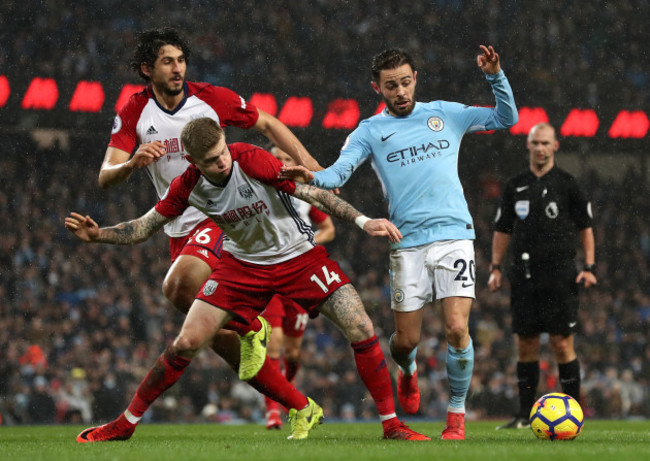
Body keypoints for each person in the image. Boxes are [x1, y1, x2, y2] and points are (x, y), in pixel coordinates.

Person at [66, 117, 430, 442]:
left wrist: (364, 221)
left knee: (361, 326)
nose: (222, 161)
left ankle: (392, 425)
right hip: (243, 267)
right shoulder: (188, 185)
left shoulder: (251, 159)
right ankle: (124, 425)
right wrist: (100, 235)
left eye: (222, 151)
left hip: (299, 258)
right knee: (185, 343)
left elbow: (312, 193)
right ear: (194, 162)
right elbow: (143, 227)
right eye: (210, 160)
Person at [280, 45, 518, 440]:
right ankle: (407, 369)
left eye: (406, 82)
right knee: (406, 341)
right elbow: (339, 173)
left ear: (415, 80)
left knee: (457, 329)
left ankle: (455, 416)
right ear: (378, 88)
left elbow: (506, 118)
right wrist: (309, 175)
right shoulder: (370, 131)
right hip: (407, 242)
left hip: (455, 234)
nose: (401, 91)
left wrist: (495, 75)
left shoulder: (445, 113)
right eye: (392, 85)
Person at [100, 28, 324, 382]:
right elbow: (105, 176)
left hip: (220, 213)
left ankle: (253, 326)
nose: (177, 69)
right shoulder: (135, 110)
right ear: (147, 69)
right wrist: (130, 164)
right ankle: (291, 401)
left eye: (181, 61)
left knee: (178, 288)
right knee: (208, 327)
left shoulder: (208, 99)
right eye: (167, 62)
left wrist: (312, 167)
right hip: (177, 225)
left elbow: (266, 121)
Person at [488, 122, 597, 429]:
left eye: (545, 143)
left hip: (561, 275)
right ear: (528, 145)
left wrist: (589, 267)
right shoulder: (515, 185)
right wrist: (495, 268)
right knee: (526, 343)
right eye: (535, 143)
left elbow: (585, 228)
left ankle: (574, 414)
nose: (540, 148)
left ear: (555, 146)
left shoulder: (568, 183)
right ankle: (524, 415)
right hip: (523, 275)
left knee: (562, 344)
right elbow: (502, 229)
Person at [262, 145, 336, 430]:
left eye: (286, 158)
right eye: (276, 157)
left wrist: (307, 244)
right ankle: (272, 411)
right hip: (268, 273)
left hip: (299, 274)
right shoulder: (258, 188)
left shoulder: (303, 194)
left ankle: (288, 382)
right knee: (274, 341)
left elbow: (329, 229)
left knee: (292, 353)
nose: (280, 162)